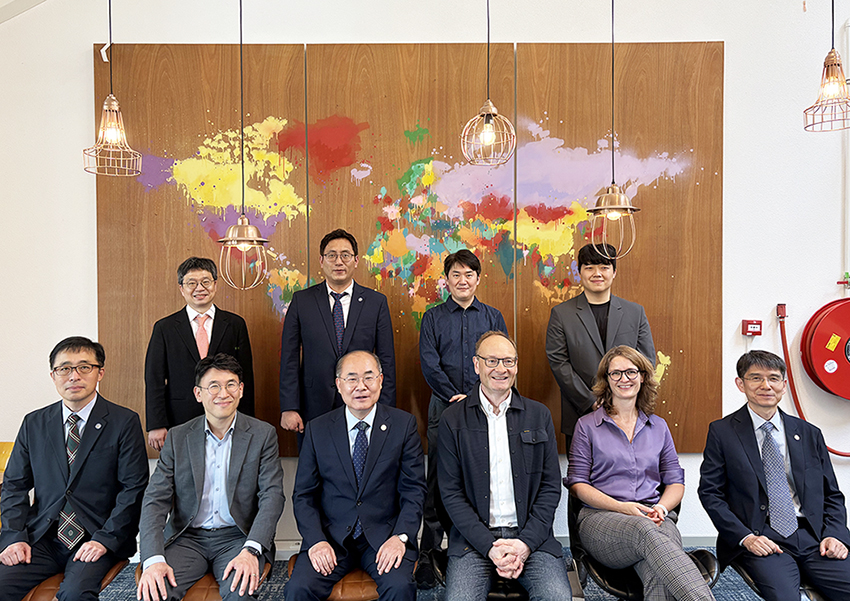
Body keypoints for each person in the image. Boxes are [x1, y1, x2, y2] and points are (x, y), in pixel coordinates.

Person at [0, 337, 149, 601]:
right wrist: (14, 537)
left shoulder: (124, 421)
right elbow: (14, 486)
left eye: (84, 367)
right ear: (53, 375)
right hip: (43, 537)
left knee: (75, 594)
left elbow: (133, 489)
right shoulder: (34, 423)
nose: (74, 376)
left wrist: (105, 540)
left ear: (100, 373)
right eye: (64, 368)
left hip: (96, 536)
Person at [698, 350, 850, 601]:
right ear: (741, 384)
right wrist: (746, 538)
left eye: (773, 378)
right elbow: (710, 494)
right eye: (756, 378)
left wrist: (835, 534)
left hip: (813, 536)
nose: (766, 385)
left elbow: (831, 494)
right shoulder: (722, 432)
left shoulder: (808, 433)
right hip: (761, 535)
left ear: (784, 385)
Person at [566, 345, 714, 601]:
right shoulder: (587, 426)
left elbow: (675, 482)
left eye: (631, 372)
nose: (624, 378)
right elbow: (578, 485)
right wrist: (622, 507)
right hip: (601, 521)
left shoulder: (659, 427)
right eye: (616, 373)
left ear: (643, 377)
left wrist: (661, 509)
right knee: (646, 531)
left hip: (654, 517)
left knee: (659, 571)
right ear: (606, 380)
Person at [137, 353, 284, 601]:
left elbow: (273, 497)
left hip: (238, 537)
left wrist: (251, 549)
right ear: (198, 393)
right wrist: (153, 559)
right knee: (154, 593)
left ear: (241, 390)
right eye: (213, 386)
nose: (223, 393)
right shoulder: (177, 437)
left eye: (231, 385)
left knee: (241, 594)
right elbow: (155, 500)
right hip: (187, 538)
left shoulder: (263, 435)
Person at [438, 331, 572, 600]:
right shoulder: (452, 419)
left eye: (508, 361)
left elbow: (549, 488)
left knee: (557, 597)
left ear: (516, 365)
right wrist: (490, 546)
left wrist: (524, 544)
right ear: (476, 365)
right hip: (473, 541)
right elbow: (451, 494)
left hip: (531, 538)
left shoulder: (539, 415)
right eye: (492, 361)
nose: (501, 369)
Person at [285, 351, 425, 601]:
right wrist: (316, 541)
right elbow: (304, 495)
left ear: (380, 381)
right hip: (331, 539)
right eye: (352, 379)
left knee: (399, 587)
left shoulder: (403, 426)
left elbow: (414, 491)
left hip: (384, 537)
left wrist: (400, 537)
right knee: (298, 588)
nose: (361, 386)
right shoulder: (318, 429)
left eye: (369, 377)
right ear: (339, 384)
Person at [416, 249, 508, 587]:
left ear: (478, 279)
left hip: (487, 407)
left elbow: (501, 359)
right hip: (443, 407)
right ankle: (428, 553)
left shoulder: (493, 316)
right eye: (456, 274)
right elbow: (429, 363)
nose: (463, 280)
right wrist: (455, 396)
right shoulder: (433, 317)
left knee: (480, 475)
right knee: (437, 479)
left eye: (469, 274)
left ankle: (474, 546)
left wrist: (477, 397)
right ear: (447, 280)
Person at [279, 229, 396, 436]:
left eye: (345, 255)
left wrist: (385, 408)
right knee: (315, 455)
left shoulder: (376, 302)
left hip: (363, 402)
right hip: (312, 404)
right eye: (331, 255)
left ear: (356, 260)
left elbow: (386, 359)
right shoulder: (302, 301)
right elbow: (289, 357)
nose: (338, 262)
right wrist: (290, 407)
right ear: (321, 260)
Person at [546, 243, 655, 447]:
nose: (597, 273)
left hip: (629, 414)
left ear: (614, 272)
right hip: (581, 413)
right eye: (589, 267)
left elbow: (647, 361)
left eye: (604, 267)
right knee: (582, 468)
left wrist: (623, 398)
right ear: (579, 272)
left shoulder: (635, 312)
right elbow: (559, 363)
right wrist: (591, 400)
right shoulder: (561, 314)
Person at [145, 256, 254, 451]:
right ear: (181, 288)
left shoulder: (235, 324)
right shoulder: (165, 328)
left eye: (205, 282)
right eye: (191, 283)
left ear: (215, 285)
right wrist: (156, 424)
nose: (199, 288)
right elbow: (154, 379)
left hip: (227, 415)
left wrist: (247, 420)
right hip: (179, 417)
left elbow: (246, 376)